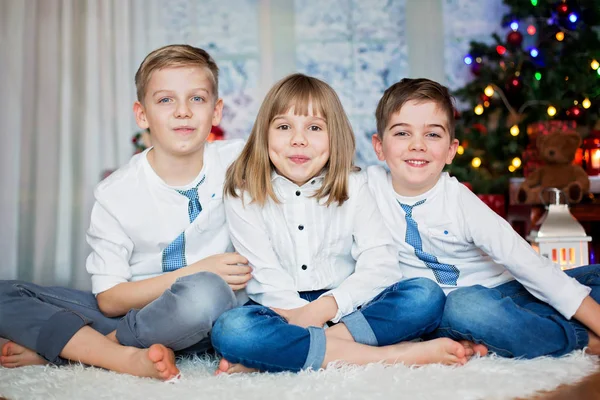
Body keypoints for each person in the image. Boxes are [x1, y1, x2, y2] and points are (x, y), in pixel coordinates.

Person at [0, 44, 251, 380]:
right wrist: (197, 269)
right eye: (165, 100)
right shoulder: (116, 193)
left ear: (216, 111)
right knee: (5, 294)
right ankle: (119, 354)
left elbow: (307, 167)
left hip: (211, 316)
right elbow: (109, 299)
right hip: (134, 313)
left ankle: (92, 350)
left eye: (197, 99)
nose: (182, 111)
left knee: (207, 292)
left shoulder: (242, 160)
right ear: (142, 115)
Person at [210, 73, 473, 375]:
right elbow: (263, 275)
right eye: (284, 127)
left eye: (314, 127)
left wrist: (324, 309)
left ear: (333, 135)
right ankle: (393, 355)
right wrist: (299, 315)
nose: (299, 139)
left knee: (424, 296)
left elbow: (381, 263)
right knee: (231, 329)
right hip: (277, 312)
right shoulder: (243, 192)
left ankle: (285, 355)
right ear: (264, 135)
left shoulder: (356, 185)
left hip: (348, 305)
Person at [367, 77, 600, 359]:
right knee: (462, 308)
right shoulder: (366, 188)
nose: (418, 145)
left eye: (432, 135)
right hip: (450, 313)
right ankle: (578, 339)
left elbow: (525, 262)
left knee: (589, 279)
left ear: (451, 150)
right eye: (403, 133)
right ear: (379, 146)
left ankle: (533, 333)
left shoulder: (459, 202)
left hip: (507, 291)